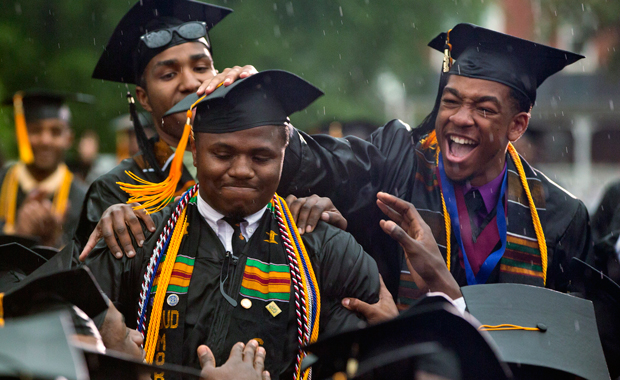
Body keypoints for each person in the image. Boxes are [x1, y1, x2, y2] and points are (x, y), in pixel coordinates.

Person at [81, 70, 380, 380]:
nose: (240, 170)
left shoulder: (323, 248)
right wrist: (115, 362)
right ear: (195, 151)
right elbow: (56, 326)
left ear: (284, 154)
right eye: (222, 154)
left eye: (261, 157)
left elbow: (370, 361)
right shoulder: (139, 239)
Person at [276, 23, 591, 306]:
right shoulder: (398, 163)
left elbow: (568, 340)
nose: (460, 118)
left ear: (518, 126)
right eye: (451, 101)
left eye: (484, 109)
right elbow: (320, 162)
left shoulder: (559, 218)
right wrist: (256, 107)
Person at [73, 0, 258, 251]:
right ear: (144, 98)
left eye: (201, 67)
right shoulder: (117, 190)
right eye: (168, 75)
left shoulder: (263, 163)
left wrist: (263, 117)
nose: (191, 83)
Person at [0, 90, 88, 247]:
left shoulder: (84, 202)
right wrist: (18, 237)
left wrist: (53, 242)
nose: (45, 140)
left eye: (55, 132)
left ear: (68, 139)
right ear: (20, 135)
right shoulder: (2, 183)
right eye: (35, 130)